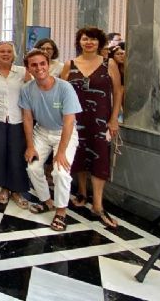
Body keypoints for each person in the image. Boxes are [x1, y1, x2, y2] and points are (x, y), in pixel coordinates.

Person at [61, 27, 122, 229]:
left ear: (100, 42)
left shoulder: (109, 63)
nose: (89, 42)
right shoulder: (69, 64)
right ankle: (82, 193)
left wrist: (113, 119)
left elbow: (118, 91)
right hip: (75, 120)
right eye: (85, 39)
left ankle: (97, 204)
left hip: (100, 120)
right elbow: (60, 92)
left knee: (99, 157)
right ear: (79, 42)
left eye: (93, 40)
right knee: (78, 155)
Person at [19, 49, 82, 232]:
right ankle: (47, 201)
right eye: (34, 65)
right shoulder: (27, 89)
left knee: (61, 172)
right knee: (32, 167)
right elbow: (28, 119)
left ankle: (61, 211)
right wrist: (30, 146)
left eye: (42, 64)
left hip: (65, 134)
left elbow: (69, 122)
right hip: (41, 133)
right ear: (28, 68)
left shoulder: (64, 88)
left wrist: (61, 152)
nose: (39, 68)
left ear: (48, 65)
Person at [0, 42, 30, 207]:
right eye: (2, 51)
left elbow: (32, 93)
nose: (6, 54)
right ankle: (4, 188)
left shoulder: (22, 72)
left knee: (16, 155)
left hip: (18, 119)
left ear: (13, 54)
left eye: (9, 51)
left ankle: (17, 190)